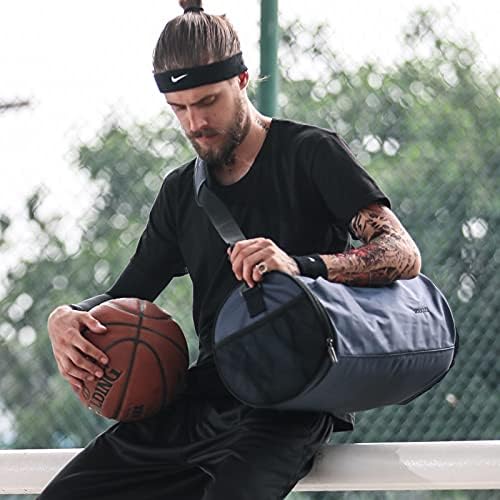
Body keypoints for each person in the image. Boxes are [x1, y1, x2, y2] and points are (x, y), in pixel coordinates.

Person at [40, 1, 421, 498]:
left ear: (241, 80)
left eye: (208, 101)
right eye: (179, 108)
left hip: (291, 400)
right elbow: (129, 291)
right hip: (204, 397)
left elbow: (400, 252)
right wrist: (66, 317)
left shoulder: (309, 153)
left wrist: (300, 265)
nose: (195, 121)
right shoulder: (181, 192)